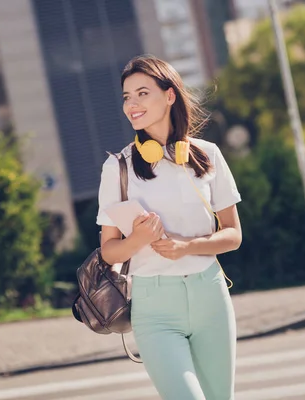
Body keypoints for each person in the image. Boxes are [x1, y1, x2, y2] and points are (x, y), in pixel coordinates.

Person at [96, 55, 242, 400]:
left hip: (211, 297)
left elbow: (233, 235)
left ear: (170, 95)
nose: (132, 104)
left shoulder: (207, 155)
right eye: (127, 97)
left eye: (142, 93)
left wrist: (187, 246)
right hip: (154, 305)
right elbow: (109, 250)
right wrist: (139, 239)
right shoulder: (118, 168)